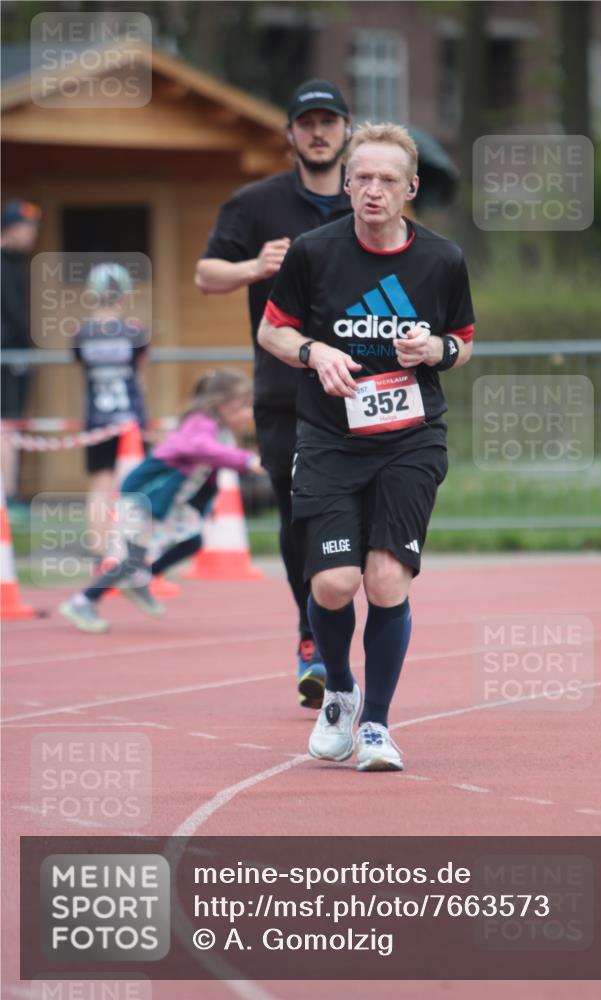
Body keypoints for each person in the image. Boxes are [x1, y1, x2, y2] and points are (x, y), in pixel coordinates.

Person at [257, 123, 475, 772]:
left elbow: (462, 340)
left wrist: (434, 350)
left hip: (410, 438)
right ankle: (341, 696)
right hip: (328, 436)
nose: (373, 190)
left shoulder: (440, 260)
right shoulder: (314, 253)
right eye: (362, 178)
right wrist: (314, 351)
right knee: (331, 584)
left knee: (383, 582)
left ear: (410, 188)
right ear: (345, 184)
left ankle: (377, 725)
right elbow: (273, 332)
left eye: (387, 180)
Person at [195, 79, 353, 710]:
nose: (318, 132)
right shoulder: (255, 204)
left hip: (361, 390)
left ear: (346, 130)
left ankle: (336, 614)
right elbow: (206, 275)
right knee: (297, 516)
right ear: (290, 134)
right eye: (306, 122)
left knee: (360, 520)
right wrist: (253, 268)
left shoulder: (366, 200)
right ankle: (311, 631)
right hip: (285, 391)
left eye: (329, 122)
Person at [59, 369, 264, 633]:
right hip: (144, 497)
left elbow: (210, 468)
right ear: (222, 405)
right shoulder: (200, 423)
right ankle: (83, 601)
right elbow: (201, 448)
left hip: (167, 503)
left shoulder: (219, 429)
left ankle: (142, 580)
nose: (249, 414)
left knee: (192, 540)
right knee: (132, 560)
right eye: (244, 406)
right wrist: (246, 460)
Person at [73, 263, 149, 560]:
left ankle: (99, 548)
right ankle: (134, 548)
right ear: (123, 295)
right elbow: (141, 373)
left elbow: (82, 366)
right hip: (130, 418)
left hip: (97, 418)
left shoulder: (81, 333)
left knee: (100, 484)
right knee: (134, 485)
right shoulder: (135, 332)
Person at [1, 199, 41, 511]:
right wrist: (26, 348)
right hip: (7, 354)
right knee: (7, 422)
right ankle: (9, 494)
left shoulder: (15, 261)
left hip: (14, 353)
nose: (31, 235)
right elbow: (12, 312)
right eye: (25, 228)